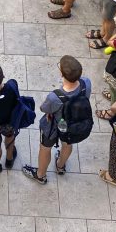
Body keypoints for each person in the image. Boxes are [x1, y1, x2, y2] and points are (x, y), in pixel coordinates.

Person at [22, 55, 92, 184]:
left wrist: (50, 112)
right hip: (73, 125)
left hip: (54, 126)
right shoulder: (86, 83)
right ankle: (60, 166)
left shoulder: (55, 97)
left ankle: (40, 175)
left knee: (45, 148)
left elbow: (44, 108)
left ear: (61, 74)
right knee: (67, 144)